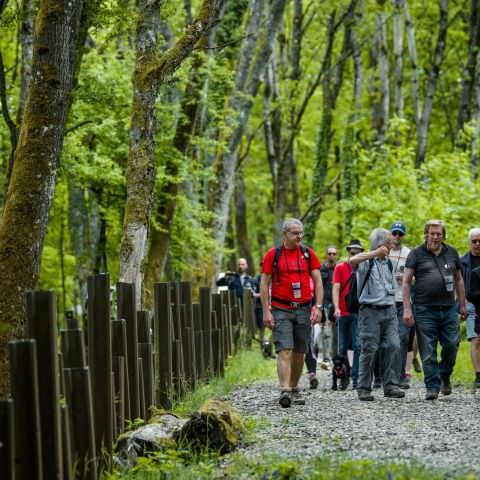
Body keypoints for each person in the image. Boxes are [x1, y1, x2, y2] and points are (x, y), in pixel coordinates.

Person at [260, 218, 323, 408]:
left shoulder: (308, 254)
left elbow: (318, 282)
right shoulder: (273, 255)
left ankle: (294, 388)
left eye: (301, 232)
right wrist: (266, 311)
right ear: (285, 234)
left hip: (303, 308)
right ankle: (285, 390)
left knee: (299, 352)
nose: (300, 236)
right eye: (295, 233)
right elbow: (264, 283)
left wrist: (318, 307)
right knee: (284, 349)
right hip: (281, 308)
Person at [403, 220, 468, 400]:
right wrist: (407, 309)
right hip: (424, 309)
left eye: (439, 233)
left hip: (448, 309)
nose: (435, 237)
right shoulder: (416, 254)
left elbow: (459, 280)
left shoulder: (452, 253)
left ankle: (444, 375)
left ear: (443, 235)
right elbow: (406, 282)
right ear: (426, 234)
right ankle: (432, 386)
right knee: (428, 350)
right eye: (432, 233)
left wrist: (462, 304)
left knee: (452, 345)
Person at [349, 228, 404, 401]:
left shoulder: (388, 262)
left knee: (393, 345)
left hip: (389, 309)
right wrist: (374, 253)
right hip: (370, 311)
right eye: (388, 241)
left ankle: (391, 386)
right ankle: (364, 388)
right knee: (369, 349)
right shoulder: (367, 261)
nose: (391, 243)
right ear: (379, 244)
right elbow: (351, 260)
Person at [332, 239, 363, 389]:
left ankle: (356, 379)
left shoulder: (364, 268)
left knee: (358, 345)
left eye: (358, 253)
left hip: (358, 312)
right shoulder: (340, 267)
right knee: (342, 347)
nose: (355, 255)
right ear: (348, 252)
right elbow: (336, 288)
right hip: (343, 312)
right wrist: (336, 307)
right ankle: (343, 376)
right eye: (352, 252)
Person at [388, 221, 412, 389]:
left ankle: (401, 375)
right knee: (388, 340)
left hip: (403, 301)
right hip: (386, 301)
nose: (397, 237)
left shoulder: (409, 253)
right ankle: (386, 375)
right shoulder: (384, 251)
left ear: (403, 236)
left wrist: (404, 278)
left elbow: (416, 279)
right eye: (394, 233)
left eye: (400, 234)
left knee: (403, 338)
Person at [460, 227, 480, 388]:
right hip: (471, 302)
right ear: (470, 242)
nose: (478, 243)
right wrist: (461, 305)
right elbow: (457, 284)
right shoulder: (463, 262)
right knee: (476, 338)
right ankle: (478, 375)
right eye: (474, 241)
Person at [317, 246, 337, 367]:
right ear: (326, 255)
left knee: (336, 332)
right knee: (326, 331)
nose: (331, 255)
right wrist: (318, 306)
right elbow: (318, 287)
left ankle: (335, 357)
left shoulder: (339, 268)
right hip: (325, 304)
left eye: (334, 253)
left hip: (336, 304)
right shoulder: (321, 269)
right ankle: (326, 358)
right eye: (329, 253)